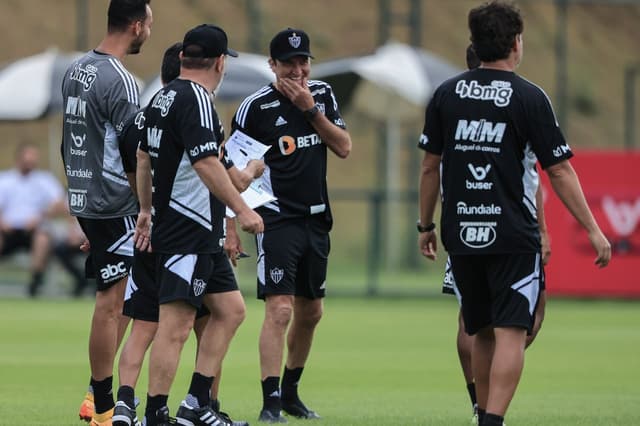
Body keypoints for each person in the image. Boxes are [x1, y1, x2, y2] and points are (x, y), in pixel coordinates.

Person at [417, 2, 611, 426]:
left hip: (462, 232)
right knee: (512, 331)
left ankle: (483, 415)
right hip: (512, 235)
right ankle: (492, 421)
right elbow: (558, 170)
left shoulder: (446, 94)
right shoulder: (529, 96)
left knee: (480, 329)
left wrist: (426, 225)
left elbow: (430, 166)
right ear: (516, 44)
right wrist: (594, 229)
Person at [112, 41, 261, 426]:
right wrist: (242, 212)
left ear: (183, 59)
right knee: (175, 329)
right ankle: (156, 414)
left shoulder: (164, 97)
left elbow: (144, 156)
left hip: (197, 233)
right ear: (220, 61)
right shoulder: (196, 98)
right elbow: (207, 163)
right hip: (186, 231)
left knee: (230, 311)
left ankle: (195, 403)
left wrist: (145, 208)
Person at [230, 28, 352, 423]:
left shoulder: (323, 95)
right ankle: (270, 401)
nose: (299, 70)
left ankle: (291, 392)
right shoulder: (254, 109)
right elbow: (230, 172)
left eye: (304, 62)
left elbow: (344, 146)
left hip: (317, 218)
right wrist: (232, 224)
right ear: (273, 65)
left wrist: (309, 108)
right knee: (279, 309)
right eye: (289, 63)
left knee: (311, 311)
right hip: (275, 218)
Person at [443, 44, 550, 422]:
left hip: (466, 227)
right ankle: (483, 406)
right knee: (491, 325)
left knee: (490, 325)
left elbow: (532, 177)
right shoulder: (517, 99)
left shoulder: (452, 99)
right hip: (496, 230)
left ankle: (484, 406)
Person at [60, 0, 153, 423]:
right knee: (112, 303)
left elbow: (70, 140)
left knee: (121, 300)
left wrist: (81, 197)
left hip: (86, 197)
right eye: (149, 23)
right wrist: (144, 208)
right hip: (115, 202)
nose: (150, 31)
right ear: (136, 26)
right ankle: (99, 405)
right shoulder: (123, 82)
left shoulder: (75, 70)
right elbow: (134, 156)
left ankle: (95, 396)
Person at [0, 143, 66, 297]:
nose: (31, 162)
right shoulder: (5, 179)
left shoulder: (44, 180)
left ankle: (35, 283)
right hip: (7, 229)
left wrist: (40, 217)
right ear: (19, 159)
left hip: (33, 230)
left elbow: (59, 202)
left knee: (42, 238)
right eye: (27, 158)